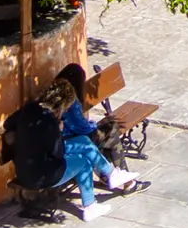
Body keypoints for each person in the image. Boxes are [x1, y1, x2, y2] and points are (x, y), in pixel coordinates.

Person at [54, 67, 145, 209]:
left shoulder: (54, 94)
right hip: (73, 141)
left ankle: (115, 177)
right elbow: (81, 127)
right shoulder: (70, 99)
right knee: (111, 131)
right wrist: (93, 125)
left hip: (66, 140)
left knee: (107, 133)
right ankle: (124, 180)